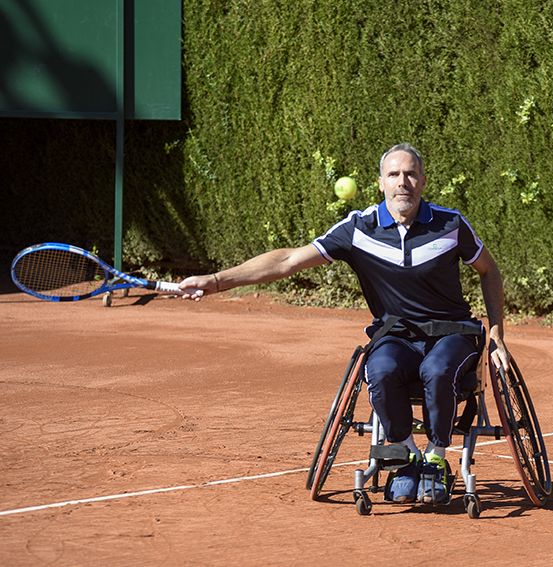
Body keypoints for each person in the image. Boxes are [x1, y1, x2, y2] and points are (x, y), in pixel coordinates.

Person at [179, 143, 510, 505]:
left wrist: (496, 333)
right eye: (394, 175)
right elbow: (288, 260)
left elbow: (489, 271)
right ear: (381, 182)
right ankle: (407, 454)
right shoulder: (359, 229)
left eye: (411, 174)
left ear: (423, 181)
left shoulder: (450, 224)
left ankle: (436, 457)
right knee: (379, 370)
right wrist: (216, 280)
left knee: (437, 369)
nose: (404, 182)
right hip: (395, 336)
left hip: (451, 333)